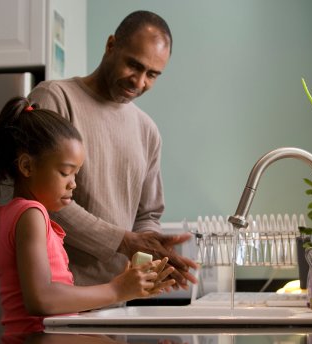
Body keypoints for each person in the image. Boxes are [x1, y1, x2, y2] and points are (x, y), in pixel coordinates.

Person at [28, 10, 198, 289]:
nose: (139, 81)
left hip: (117, 297)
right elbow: (42, 198)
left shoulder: (147, 130)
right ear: (111, 46)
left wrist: (152, 254)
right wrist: (124, 241)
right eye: (134, 65)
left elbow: (148, 215)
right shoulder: (54, 99)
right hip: (58, 294)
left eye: (152, 74)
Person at [0, 96, 175, 334]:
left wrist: (125, 285)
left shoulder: (18, 213)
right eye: (65, 173)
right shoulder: (31, 214)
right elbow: (42, 299)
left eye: (76, 174)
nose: (74, 184)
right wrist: (116, 290)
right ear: (27, 167)